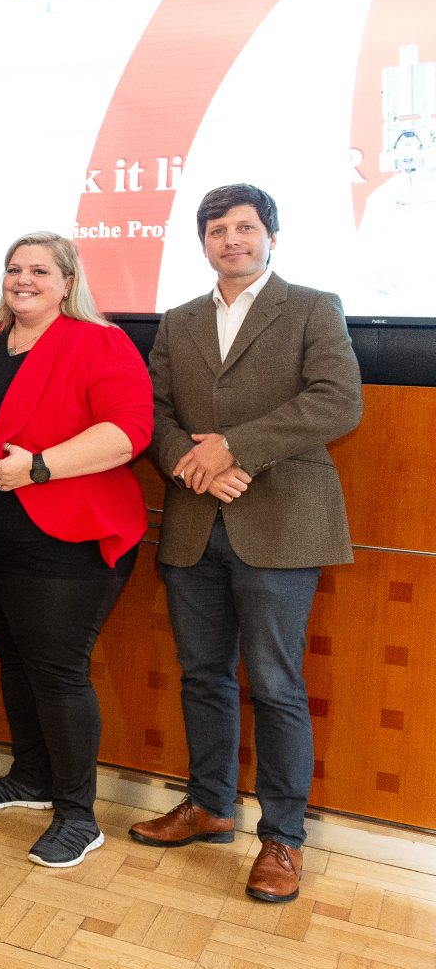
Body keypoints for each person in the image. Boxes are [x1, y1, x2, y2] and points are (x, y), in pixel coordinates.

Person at [131, 185, 363, 904]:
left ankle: (283, 840)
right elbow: (156, 413)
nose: (231, 240)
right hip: (195, 522)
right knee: (202, 673)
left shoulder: (313, 307)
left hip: (283, 521)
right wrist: (189, 463)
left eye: (245, 227)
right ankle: (209, 806)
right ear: (202, 242)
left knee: (276, 683)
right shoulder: (178, 320)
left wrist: (233, 449)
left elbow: (337, 401)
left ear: (271, 236)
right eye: (217, 230)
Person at [0, 232, 152, 869]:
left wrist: (39, 467)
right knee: (16, 658)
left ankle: (78, 814)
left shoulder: (101, 342)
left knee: (58, 670)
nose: (24, 280)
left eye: (40, 270)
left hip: (68, 536)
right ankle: (32, 777)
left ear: (68, 281)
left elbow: (128, 434)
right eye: (14, 269)